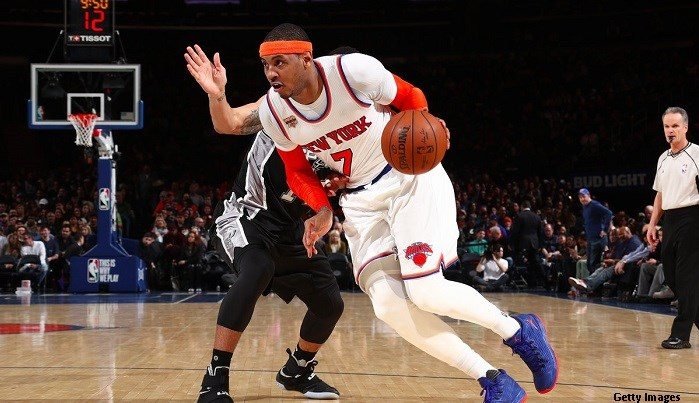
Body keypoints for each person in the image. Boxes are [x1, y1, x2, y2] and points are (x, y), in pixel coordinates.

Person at [201, 23, 557, 401]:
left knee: (426, 292)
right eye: (265, 65)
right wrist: (322, 209)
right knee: (388, 305)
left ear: (307, 59)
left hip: (404, 178)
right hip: (358, 201)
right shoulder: (276, 110)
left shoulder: (354, 72)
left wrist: (427, 124)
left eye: (279, 63)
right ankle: (492, 379)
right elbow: (296, 170)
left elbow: (411, 96)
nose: (271, 72)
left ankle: (517, 331)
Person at [185, 45, 348, 402]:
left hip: (290, 229)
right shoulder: (281, 105)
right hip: (246, 217)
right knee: (257, 268)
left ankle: (296, 371)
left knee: (330, 303)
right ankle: (215, 377)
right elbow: (228, 123)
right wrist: (217, 95)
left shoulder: (352, 133)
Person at [647, 106, 699, 349]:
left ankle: (681, 335)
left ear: (685, 127)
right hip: (670, 219)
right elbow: (660, 194)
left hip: (693, 217)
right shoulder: (663, 158)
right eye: (667, 126)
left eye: (675, 126)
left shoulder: (697, 154)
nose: (670, 130)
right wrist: (652, 223)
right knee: (671, 275)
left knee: (686, 276)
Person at [509, 200, 545, 289]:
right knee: (534, 262)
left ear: (522, 207)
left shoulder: (519, 216)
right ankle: (537, 282)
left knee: (525, 262)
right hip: (534, 243)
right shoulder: (537, 216)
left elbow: (515, 231)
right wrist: (540, 245)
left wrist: (511, 243)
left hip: (522, 244)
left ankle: (523, 281)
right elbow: (540, 232)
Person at [578, 188, 613, 273]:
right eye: (580, 197)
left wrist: (605, 230)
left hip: (598, 239)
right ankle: (592, 281)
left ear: (589, 195)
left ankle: (595, 281)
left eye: (584, 196)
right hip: (590, 239)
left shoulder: (594, 205)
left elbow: (609, 213)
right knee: (589, 264)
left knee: (594, 264)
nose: (582, 199)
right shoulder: (585, 207)